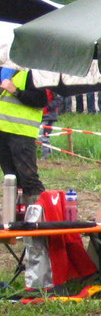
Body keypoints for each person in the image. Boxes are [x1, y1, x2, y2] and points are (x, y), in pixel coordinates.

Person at [0, 61, 49, 212]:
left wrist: (16, 91)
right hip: (2, 130)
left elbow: (41, 101)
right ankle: (13, 215)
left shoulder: (32, 72)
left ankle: (39, 216)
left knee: (28, 179)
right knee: (10, 178)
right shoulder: (3, 69)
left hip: (22, 132)